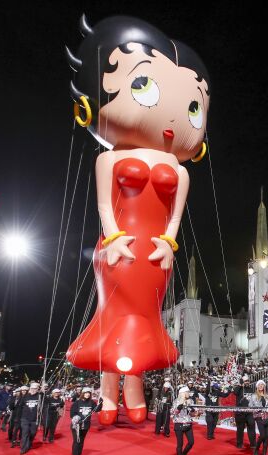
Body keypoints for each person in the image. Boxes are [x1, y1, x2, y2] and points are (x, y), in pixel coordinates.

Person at [65, 15, 211, 425]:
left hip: (156, 254)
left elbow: (176, 214)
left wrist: (169, 241)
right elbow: (103, 207)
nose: (174, 119)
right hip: (119, 249)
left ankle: (132, 389)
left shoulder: (179, 171)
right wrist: (112, 236)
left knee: (146, 316)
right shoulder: (108, 157)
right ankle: (109, 394)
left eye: (194, 107)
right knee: (113, 316)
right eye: (142, 85)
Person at [70, 387, 100, 455]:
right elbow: (72, 413)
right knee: (77, 441)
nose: (87, 394)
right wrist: (77, 418)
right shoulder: (77, 402)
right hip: (76, 425)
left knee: (81, 441)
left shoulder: (91, 402)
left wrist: (101, 403)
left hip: (86, 425)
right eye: (86, 393)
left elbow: (96, 409)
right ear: (83, 393)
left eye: (89, 393)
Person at [172, 386, 199, 455]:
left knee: (191, 442)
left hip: (188, 423)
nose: (189, 393)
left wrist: (194, 411)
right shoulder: (176, 401)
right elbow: (173, 412)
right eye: (187, 392)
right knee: (180, 444)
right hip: (179, 424)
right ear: (183, 393)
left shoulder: (190, 401)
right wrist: (179, 408)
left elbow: (192, 414)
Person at [249, 380, 268, 455]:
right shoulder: (253, 396)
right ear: (257, 386)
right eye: (259, 385)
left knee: (266, 437)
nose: (261, 386)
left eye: (262, 385)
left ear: (264, 386)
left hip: (267, 417)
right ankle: (256, 450)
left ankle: (264, 454)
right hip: (259, 417)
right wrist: (257, 408)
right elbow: (250, 406)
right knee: (262, 435)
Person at [18, 382, 42, 455]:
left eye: (35, 389)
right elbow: (20, 406)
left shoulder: (40, 396)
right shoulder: (25, 396)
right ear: (30, 389)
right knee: (25, 433)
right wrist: (18, 417)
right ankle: (23, 448)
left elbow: (45, 402)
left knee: (32, 433)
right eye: (32, 388)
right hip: (25, 418)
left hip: (34, 419)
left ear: (38, 389)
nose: (33, 390)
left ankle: (30, 442)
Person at [234, 375, 256, 449]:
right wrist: (240, 385)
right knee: (240, 429)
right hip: (240, 412)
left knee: (252, 426)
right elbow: (235, 392)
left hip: (249, 412)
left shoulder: (251, 389)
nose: (247, 382)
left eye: (248, 381)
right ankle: (239, 443)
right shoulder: (239, 389)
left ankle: (253, 444)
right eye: (245, 381)